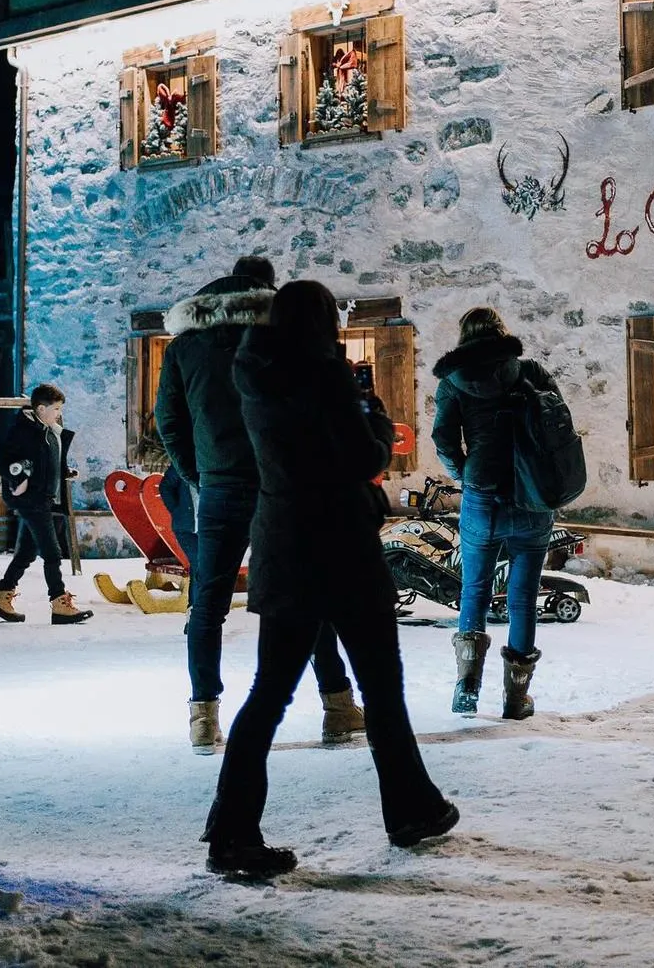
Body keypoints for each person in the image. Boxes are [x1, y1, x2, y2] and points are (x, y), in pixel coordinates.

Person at [202, 280, 458, 879]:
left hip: (285, 543)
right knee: (381, 685)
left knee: (269, 692)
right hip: (340, 547)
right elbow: (366, 456)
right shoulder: (324, 373)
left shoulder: (254, 374)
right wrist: (373, 414)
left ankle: (232, 829)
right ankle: (410, 809)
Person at [156, 257, 364, 754]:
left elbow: (169, 422)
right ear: (268, 289)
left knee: (207, 602)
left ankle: (203, 716)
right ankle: (337, 706)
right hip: (283, 484)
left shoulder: (186, 346)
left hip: (221, 486)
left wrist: (198, 474)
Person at [431, 306, 562, 721]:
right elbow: (558, 425)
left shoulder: (453, 382)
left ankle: (467, 687)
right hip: (531, 493)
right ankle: (516, 697)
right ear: (502, 334)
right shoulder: (532, 373)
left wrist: (464, 472)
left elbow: (444, 439)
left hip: (482, 495)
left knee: (474, 589)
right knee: (523, 596)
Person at [0, 383, 92, 626]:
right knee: (52, 552)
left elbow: (49, 459)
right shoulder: (23, 431)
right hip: (31, 499)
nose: (59, 413)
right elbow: (3, 459)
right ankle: (59, 602)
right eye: (55, 409)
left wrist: (64, 472)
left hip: (44, 498)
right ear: (41, 409)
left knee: (25, 553)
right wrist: (19, 478)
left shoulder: (51, 430)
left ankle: (1, 597)